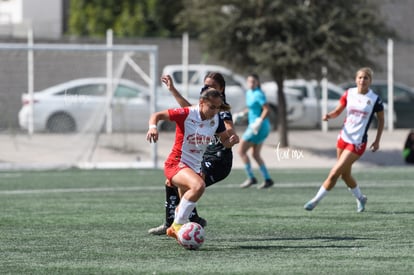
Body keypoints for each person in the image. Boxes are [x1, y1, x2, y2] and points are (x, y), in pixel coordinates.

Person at [148, 72, 239, 235]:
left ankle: (180, 226)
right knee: (197, 186)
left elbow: (226, 138)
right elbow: (158, 115)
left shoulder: (216, 117)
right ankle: (177, 225)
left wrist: (232, 139)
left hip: (212, 161)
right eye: (206, 86)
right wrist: (153, 128)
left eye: (217, 108)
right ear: (202, 101)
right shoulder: (189, 113)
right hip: (176, 163)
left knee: (189, 193)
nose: (215, 110)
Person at [304, 67, 384, 212]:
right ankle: (361, 198)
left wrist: (377, 140)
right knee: (345, 175)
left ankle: (315, 200)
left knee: (334, 172)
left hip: (357, 143)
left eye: (366, 78)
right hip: (343, 138)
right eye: (360, 77)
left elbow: (381, 120)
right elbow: (337, 111)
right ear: (356, 79)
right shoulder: (349, 93)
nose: (362, 80)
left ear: (370, 81)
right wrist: (329, 116)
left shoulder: (374, 99)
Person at [238, 73, 274, 189]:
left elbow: (266, 109)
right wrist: (242, 114)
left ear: (258, 82)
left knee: (241, 151)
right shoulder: (249, 93)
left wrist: (259, 121)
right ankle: (267, 179)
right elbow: (252, 108)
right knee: (255, 154)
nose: (251, 83)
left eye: (253, 81)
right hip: (256, 126)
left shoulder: (258, 93)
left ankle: (251, 178)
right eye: (249, 81)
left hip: (258, 127)